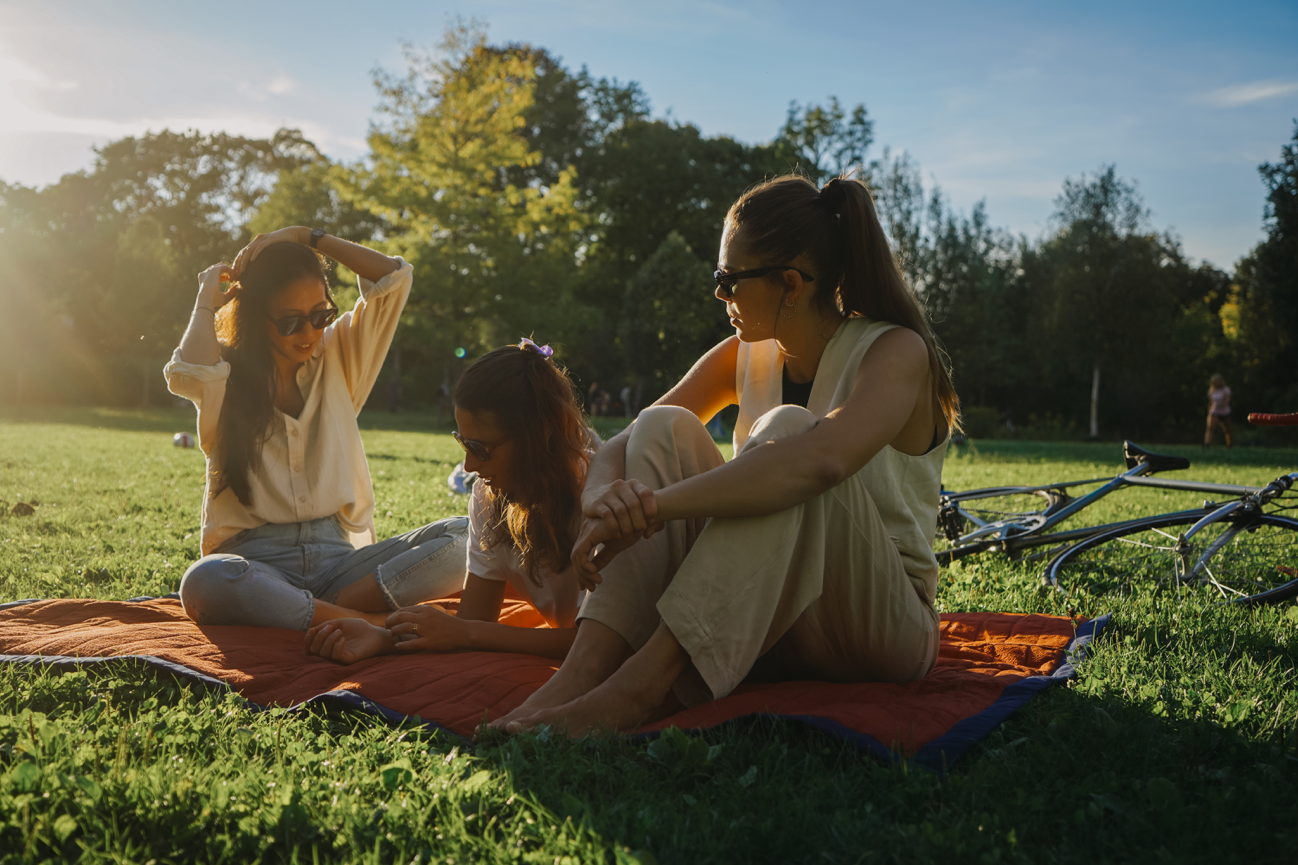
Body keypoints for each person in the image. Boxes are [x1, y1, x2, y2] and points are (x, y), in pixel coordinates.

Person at [489, 174, 961, 737]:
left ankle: (642, 685)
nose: (719, 295)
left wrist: (654, 508)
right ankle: (581, 672)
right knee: (664, 426)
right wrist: (604, 499)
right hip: (774, 624)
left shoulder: (894, 350)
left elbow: (821, 461)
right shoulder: (745, 354)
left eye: (728, 280)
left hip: (880, 629)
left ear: (789, 284)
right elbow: (625, 440)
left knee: (790, 432)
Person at [166, 227, 468, 631]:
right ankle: (363, 621)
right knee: (206, 581)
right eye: (290, 322)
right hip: (257, 559)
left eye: (321, 315)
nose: (309, 332)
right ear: (257, 317)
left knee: (467, 534)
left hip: (341, 564)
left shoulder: (341, 355)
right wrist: (207, 296)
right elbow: (190, 371)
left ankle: (312, 610)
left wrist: (306, 237)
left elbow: (393, 279)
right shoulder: (226, 377)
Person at [304, 341, 596, 663]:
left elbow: (600, 642)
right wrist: (384, 639)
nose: (469, 466)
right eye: (462, 443)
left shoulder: (600, 499)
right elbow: (475, 619)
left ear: (537, 440)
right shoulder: (490, 497)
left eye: (480, 449)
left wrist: (467, 633)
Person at [1205, 374, 1232, 447]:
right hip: (1214, 411)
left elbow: (1227, 401)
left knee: (1227, 429)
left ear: (1220, 381)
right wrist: (1209, 411)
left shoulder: (1226, 389)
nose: (1215, 383)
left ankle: (1229, 444)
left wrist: (1221, 405)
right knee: (1210, 428)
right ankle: (1207, 443)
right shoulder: (1212, 390)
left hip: (1225, 411)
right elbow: (1210, 402)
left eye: (1216, 381)